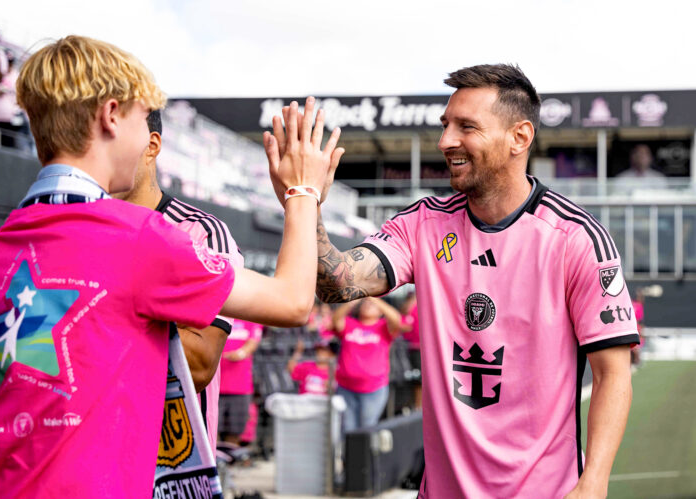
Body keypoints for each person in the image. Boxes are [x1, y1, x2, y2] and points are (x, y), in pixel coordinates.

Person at [0, 35, 343, 497]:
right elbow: (294, 302)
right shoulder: (137, 238)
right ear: (111, 115)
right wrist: (301, 193)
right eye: (142, 116)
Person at [266, 64, 639, 497]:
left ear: (519, 137)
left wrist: (594, 482)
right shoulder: (423, 222)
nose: (446, 141)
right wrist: (302, 199)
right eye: (446, 126)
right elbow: (337, 284)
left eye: (467, 127)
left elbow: (613, 374)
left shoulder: (576, 238)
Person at [113, 108, 240, 453]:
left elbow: (198, 364)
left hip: (174, 467)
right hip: (97, 463)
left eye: (115, 134)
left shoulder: (200, 232)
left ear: (152, 145)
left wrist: (96, 321)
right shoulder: (77, 227)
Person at [331, 297, 400, 432]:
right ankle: (349, 454)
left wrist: (373, 298)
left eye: (372, 305)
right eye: (365, 303)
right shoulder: (350, 324)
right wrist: (354, 300)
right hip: (346, 388)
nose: (368, 305)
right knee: (347, 429)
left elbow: (396, 319)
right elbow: (335, 320)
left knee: (366, 430)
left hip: (373, 389)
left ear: (381, 311)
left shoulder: (383, 327)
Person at [218, 319, 262, 445]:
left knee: (235, 431)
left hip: (240, 387)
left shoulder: (250, 319)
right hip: (214, 386)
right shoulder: (217, 315)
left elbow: (253, 343)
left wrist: (241, 353)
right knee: (211, 429)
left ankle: (230, 460)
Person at [0, 50, 32, 152]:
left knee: (8, 145)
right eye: (7, 62)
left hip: (11, 118)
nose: (8, 65)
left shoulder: (17, 77)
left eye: (10, 63)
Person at [400, 291, 422, 409]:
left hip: (424, 348)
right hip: (414, 348)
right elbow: (404, 326)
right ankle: (418, 407)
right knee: (417, 380)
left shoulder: (421, 307)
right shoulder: (409, 308)